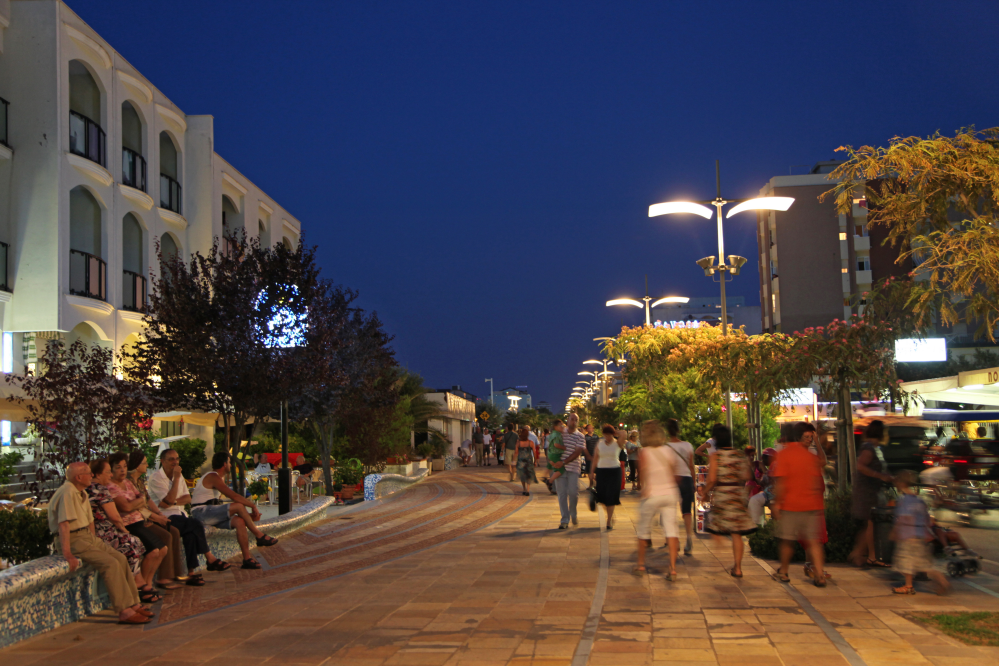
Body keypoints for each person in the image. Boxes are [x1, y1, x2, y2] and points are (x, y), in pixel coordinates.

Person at [48, 462, 150, 624]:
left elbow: (89, 522)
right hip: (75, 538)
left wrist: (95, 542)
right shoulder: (67, 491)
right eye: (88, 473)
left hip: (86, 536)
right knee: (110, 564)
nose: (91, 476)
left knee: (121, 558)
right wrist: (67, 553)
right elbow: (64, 524)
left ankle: (134, 603)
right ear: (78, 477)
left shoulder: (81, 492)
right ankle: (123, 611)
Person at [147, 448, 232, 584]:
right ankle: (210, 558)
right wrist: (175, 482)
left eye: (177, 459)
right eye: (171, 459)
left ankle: (191, 573)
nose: (175, 462)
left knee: (191, 534)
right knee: (196, 524)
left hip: (180, 515)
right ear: (162, 461)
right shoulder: (157, 477)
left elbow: (187, 498)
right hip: (165, 517)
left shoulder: (179, 476)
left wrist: (173, 501)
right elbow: (167, 502)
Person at [87, 459, 164, 604]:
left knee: (136, 544)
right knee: (131, 543)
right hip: (104, 532)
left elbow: (142, 499)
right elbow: (115, 516)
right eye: (108, 472)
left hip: (107, 530)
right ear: (97, 474)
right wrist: (124, 531)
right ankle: (137, 588)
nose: (110, 475)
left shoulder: (94, 488)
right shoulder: (99, 488)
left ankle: (140, 584)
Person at [191, 451, 280, 569]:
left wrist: (247, 517)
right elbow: (234, 497)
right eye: (229, 462)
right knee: (238, 505)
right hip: (201, 512)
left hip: (211, 511)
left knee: (240, 522)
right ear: (224, 464)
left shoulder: (218, 478)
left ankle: (247, 559)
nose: (231, 465)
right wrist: (252, 506)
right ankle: (259, 536)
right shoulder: (213, 476)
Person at [107, 452, 179, 592]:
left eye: (124, 467)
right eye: (118, 467)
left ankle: (148, 583)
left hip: (140, 520)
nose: (122, 470)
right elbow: (126, 506)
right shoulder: (111, 487)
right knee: (154, 550)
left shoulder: (129, 483)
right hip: (129, 524)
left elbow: (143, 500)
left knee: (163, 548)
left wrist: (141, 505)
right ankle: (144, 587)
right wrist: (139, 504)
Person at [772, 421, 827, 586]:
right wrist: (817, 442)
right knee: (814, 542)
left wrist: (777, 503)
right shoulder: (811, 457)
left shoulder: (784, 455)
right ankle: (819, 574)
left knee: (787, 540)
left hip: (791, 504)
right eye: (808, 437)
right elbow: (822, 464)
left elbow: (781, 483)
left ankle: (784, 571)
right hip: (812, 505)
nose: (809, 440)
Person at [700, 425, 756, 577]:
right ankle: (737, 568)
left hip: (723, 494)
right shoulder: (738, 455)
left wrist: (705, 492)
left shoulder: (716, 457)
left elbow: (711, 480)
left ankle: (720, 544)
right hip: (737, 494)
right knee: (737, 532)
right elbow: (747, 475)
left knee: (715, 525)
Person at [125, 450, 185, 588]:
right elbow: (137, 507)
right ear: (136, 464)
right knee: (165, 536)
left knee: (174, 532)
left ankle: (175, 573)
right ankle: (163, 578)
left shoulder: (139, 481)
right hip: (140, 520)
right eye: (144, 463)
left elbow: (148, 500)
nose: (147, 465)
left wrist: (159, 514)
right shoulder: (129, 482)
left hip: (148, 517)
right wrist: (157, 517)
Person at [891, 470, 949, 595]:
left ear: (901, 484)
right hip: (920, 536)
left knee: (906, 561)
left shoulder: (904, 500)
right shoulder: (919, 500)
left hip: (908, 535)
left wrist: (895, 531)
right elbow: (927, 519)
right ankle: (938, 579)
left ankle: (908, 586)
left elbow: (904, 518)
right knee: (922, 564)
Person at [635, 420, 680, 580]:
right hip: (669, 494)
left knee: (643, 530)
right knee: (671, 531)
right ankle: (673, 569)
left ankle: (641, 564)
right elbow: (674, 471)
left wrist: (643, 488)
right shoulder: (668, 450)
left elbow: (643, 472)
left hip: (652, 494)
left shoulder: (644, 452)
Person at [849, 420, 893, 568]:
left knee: (869, 524)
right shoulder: (869, 448)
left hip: (872, 490)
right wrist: (879, 476)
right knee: (870, 524)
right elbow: (860, 466)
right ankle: (868, 556)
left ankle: (858, 554)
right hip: (867, 491)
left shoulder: (875, 448)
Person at [552, 413, 591, 529]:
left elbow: (577, 452)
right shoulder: (560, 433)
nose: (573, 422)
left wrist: (563, 462)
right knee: (562, 494)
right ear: (567, 420)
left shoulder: (580, 436)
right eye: (572, 419)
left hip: (573, 468)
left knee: (573, 493)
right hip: (560, 469)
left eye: (576, 420)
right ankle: (564, 519)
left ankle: (573, 513)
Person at [664, 419, 696, 556]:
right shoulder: (688, 445)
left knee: (669, 511)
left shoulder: (664, 447)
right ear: (678, 430)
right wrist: (694, 482)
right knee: (686, 510)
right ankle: (688, 536)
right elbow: (691, 466)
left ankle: (672, 539)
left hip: (671, 480)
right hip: (687, 479)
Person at [590, 424, 625, 529]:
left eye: (609, 435)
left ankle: (609, 521)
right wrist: (592, 471)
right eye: (605, 435)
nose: (607, 437)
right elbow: (595, 458)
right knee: (602, 497)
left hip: (614, 471)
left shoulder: (618, 443)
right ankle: (610, 513)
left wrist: (615, 432)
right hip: (601, 472)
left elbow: (624, 434)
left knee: (611, 496)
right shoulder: (600, 443)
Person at [748, 448, 777, 525]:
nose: (762, 459)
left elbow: (766, 481)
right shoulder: (771, 466)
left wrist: (755, 479)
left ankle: (759, 525)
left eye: (764, 457)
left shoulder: (774, 465)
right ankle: (758, 525)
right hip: (767, 492)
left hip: (773, 493)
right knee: (754, 499)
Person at [515, 426, 538, 495]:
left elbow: (516, 452)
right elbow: (534, 452)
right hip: (529, 460)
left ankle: (524, 489)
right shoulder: (530, 442)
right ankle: (528, 489)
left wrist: (513, 461)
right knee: (528, 475)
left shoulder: (518, 442)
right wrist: (535, 461)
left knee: (522, 474)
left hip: (521, 460)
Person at [545, 420, 566, 491]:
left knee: (555, 468)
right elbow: (556, 444)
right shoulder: (557, 435)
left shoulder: (552, 434)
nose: (562, 427)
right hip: (555, 454)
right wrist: (564, 448)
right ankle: (550, 481)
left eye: (563, 425)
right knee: (561, 470)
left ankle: (551, 483)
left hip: (551, 453)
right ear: (555, 427)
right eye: (561, 426)